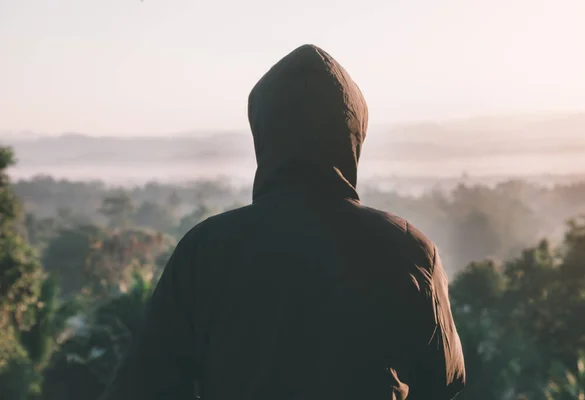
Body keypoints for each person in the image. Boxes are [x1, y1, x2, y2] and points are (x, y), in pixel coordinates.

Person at [100, 44, 466, 400]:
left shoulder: (207, 249)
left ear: (264, 132)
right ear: (352, 134)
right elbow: (443, 380)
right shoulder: (408, 249)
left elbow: (147, 384)